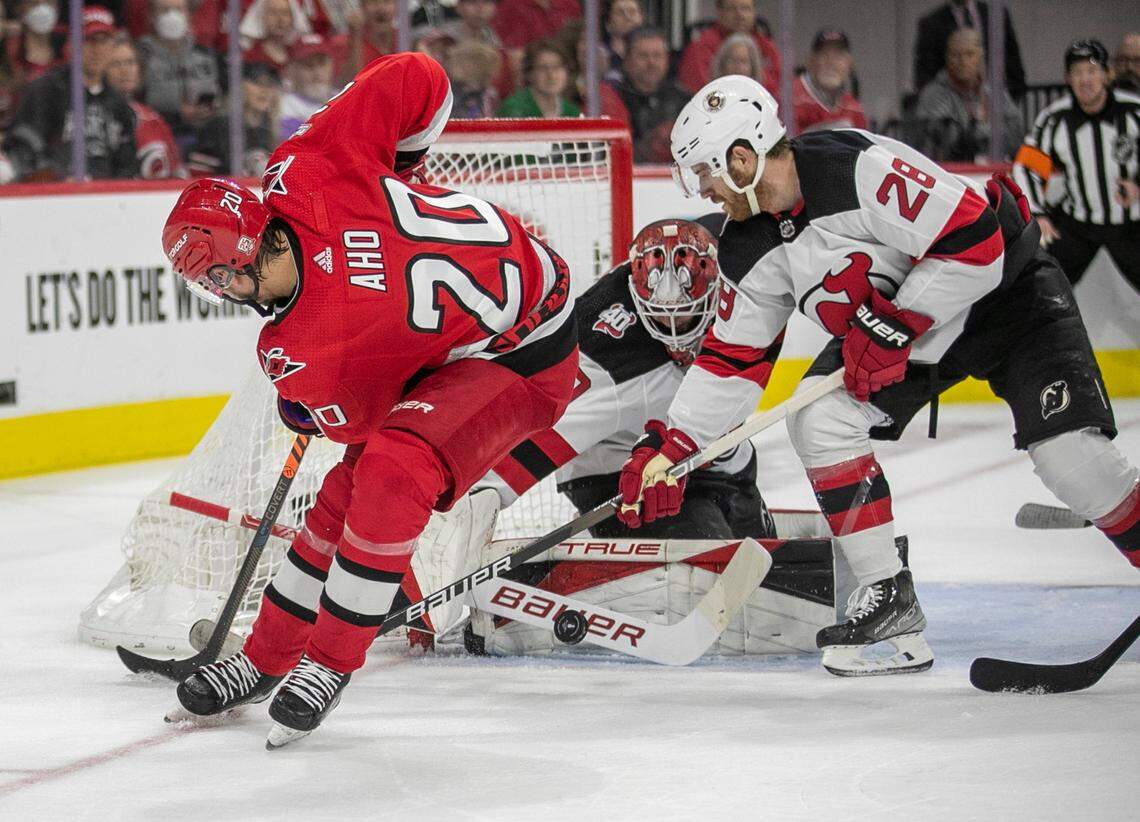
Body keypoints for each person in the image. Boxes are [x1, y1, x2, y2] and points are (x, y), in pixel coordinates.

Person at [620, 74, 1140, 678]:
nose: (706, 191)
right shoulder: (747, 245)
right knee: (820, 420)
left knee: (1073, 464)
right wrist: (675, 444)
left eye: (707, 172)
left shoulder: (854, 168)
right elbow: (732, 358)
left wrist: (895, 322)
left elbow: (977, 238)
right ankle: (888, 598)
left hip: (1009, 299)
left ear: (742, 159)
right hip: (912, 338)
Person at [161, 52, 579, 748]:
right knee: (339, 500)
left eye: (220, 283)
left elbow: (348, 419)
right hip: (498, 298)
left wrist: (301, 409)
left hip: (526, 354)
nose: (223, 297)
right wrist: (397, 176)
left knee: (390, 471)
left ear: (236, 263)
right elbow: (420, 75)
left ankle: (327, 664)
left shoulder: (303, 349)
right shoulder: (305, 165)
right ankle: (262, 660)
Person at [478, 214, 775, 542]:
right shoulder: (600, 348)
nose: (673, 329)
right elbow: (534, 437)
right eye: (659, 314)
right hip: (619, 473)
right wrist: (476, 497)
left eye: (686, 314)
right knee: (708, 553)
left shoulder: (741, 286)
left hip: (717, 460)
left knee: (765, 559)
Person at [1012, 39, 1140, 294]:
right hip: (1079, 223)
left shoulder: (1133, 111)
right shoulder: (1055, 119)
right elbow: (1027, 166)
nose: (1085, 80)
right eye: (1077, 72)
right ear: (1068, 78)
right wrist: (1037, 213)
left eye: (1092, 71)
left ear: (1107, 74)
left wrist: (1138, 184)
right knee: (1039, 286)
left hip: (1133, 224)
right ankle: (1040, 334)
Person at [0, 6, 136, 183]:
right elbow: (23, 148)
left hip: (106, 198)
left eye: (104, 41)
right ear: (72, 44)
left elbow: (127, 164)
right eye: (89, 40)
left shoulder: (118, 104)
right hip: (52, 195)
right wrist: (58, 179)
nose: (97, 49)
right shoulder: (47, 90)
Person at [913, 28, 1023, 161]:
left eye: (969, 54)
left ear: (980, 56)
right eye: (956, 55)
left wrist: (979, 133)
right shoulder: (933, 94)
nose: (963, 61)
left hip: (994, 169)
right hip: (951, 174)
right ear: (947, 58)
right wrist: (991, 133)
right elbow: (951, 141)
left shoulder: (994, 92)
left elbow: (1016, 135)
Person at [136, 0, 221, 141]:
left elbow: (217, 93)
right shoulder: (140, 54)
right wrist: (178, 111)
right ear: (151, 15)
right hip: (157, 133)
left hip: (204, 134)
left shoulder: (204, 54)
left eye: (178, 9)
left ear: (188, 14)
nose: (172, 16)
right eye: (164, 10)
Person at [104, 31, 185, 179]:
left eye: (130, 62)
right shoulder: (97, 116)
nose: (125, 70)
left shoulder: (152, 118)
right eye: (115, 64)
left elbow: (177, 170)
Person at [184, 60, 281, 177]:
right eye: (258, 83)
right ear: (240, 87)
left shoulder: (267, 127)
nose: (264, 91)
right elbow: (231, 169)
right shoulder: (222, 124)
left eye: (269, 85)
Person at [913, 0, 1025, 100]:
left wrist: (1011, 100)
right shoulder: (932, 23)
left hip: (996, 107)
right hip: (954, 110)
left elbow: (1013, 63)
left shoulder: (995, 15)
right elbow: (925, 74)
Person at [609, 26, 688, 163]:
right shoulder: (613, 98)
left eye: (657, 55)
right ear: (627, 61)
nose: (651, 62)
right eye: (643, 56)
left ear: (667, 60)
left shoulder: (685, 100)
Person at [677, 0, 779, 95]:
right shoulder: (700, 49)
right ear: (719, 11)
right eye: (732, 9)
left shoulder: (768, 48)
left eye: (745, 8)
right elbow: (700, 96)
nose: (740, 15)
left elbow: (781, 92)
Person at [792, 29, 866, 134]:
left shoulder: (854, 109)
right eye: (824, 55)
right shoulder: (791, 99)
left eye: (838, 56)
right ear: (810, 62)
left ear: (850, 65)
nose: (831, 63)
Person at [440, 0, 514, 103]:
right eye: (473, 2)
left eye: (486, 2)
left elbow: (504, 88)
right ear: (459, 7)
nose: (480, 9)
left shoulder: (498, 45)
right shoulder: (443, 42)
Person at [497, 39, 578, 118]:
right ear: (530, 73)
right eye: (543, 68)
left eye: (557, 67)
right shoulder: (514, 109)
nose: (551, 75)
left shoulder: (572, 112)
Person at [278, 32, 337, 141]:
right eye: (308, 65)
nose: (317, 72)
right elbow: (300, 144)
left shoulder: (343, 96)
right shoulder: (285, 106)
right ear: (292, 71)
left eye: (322, 64)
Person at [240, 0, 309, 71]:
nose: (280, 19)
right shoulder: (250, 57)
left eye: (285, 13)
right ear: (261, 16)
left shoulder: (300, 54)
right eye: (273, 13)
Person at [601, 0, 642, 81]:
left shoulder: (653, 50)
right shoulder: (600, 52)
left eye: (632, 12)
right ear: (608, 22)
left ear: (641, 17)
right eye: (620, 13)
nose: (628, 17)